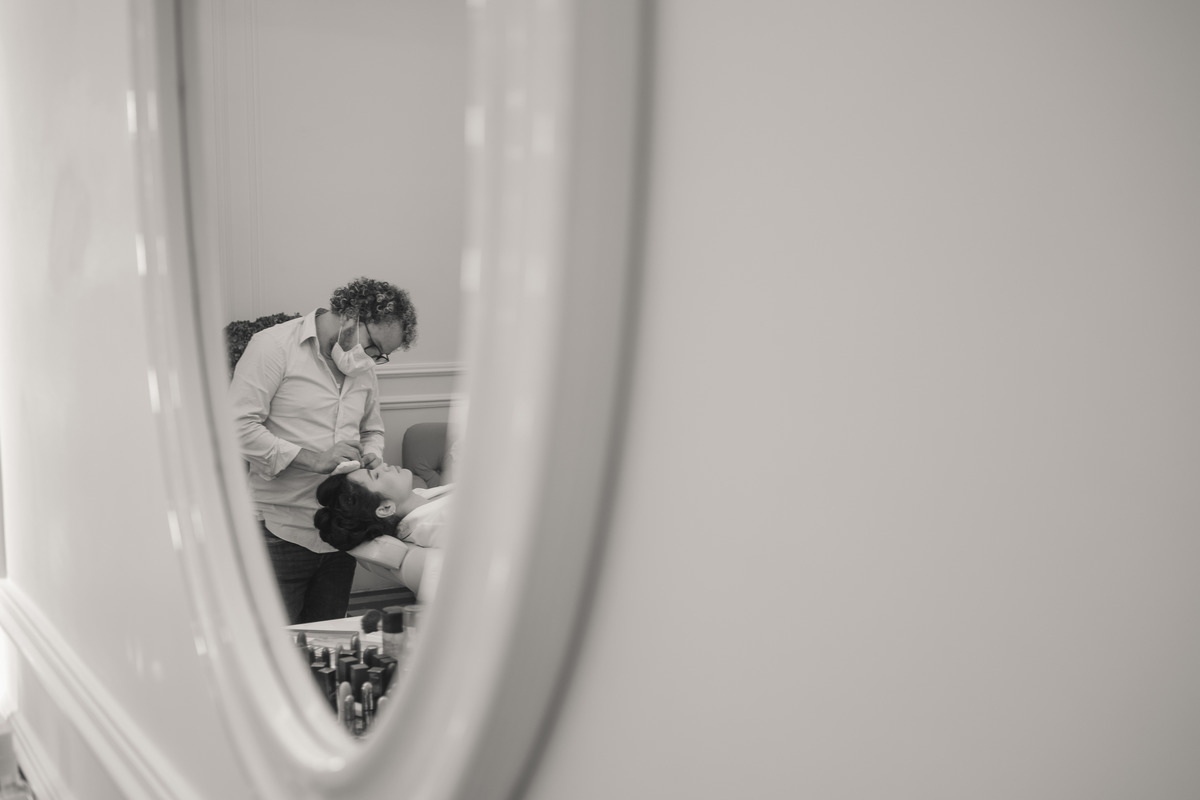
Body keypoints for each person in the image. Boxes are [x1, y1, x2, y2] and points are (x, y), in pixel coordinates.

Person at [230, 277, 417, 624]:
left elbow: (372, 429)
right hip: (280, 530)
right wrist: (312, 459)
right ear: (350, 314)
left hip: (343, 536)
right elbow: (236, 427)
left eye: (380, 356)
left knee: (329, 639)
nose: (371, 360)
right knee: (275, 644)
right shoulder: (272, 347)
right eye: (373, 347)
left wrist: (372, 453)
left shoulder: (360, 366)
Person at [313, 463, 453, 594]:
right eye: (376, 475)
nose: (383, 465)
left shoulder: (417, 498)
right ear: (385, 508)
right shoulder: (444, 523)